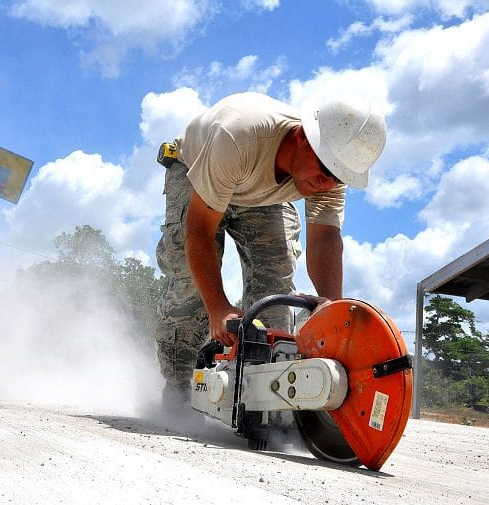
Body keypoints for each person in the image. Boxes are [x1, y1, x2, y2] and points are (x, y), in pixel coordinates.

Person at [154, 92, 386, 408]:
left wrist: (331, 308)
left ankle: (262, 399)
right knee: (193, 289)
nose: (327, 184)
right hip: (199, 170)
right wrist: (219, 308)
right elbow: (199, 231)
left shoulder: (330, 169)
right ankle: (179, 394)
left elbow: (325, 240)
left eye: (337, 178)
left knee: (275, 288)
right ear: (304, 137)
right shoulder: (237, 136)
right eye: (324, 171)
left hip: (261, 192)